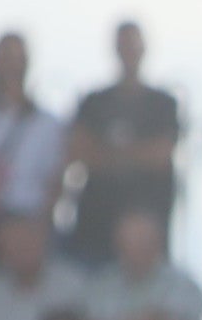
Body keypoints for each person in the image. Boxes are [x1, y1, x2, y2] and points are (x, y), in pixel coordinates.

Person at [66, 20, 181, 261]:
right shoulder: (93, 103)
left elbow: (160, 154)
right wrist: (137, 154)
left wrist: (108, 153)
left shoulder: (163, 105)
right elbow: (80, 152)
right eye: (124, 45)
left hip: (150, 226)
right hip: (96, 228)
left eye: (134, 45)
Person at [0, 31, 69, 243]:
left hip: (32, 220)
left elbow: (56, 180)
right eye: (5, 58)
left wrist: (40, 226)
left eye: (17, 59)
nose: (11, 67)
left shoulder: (49, 124)